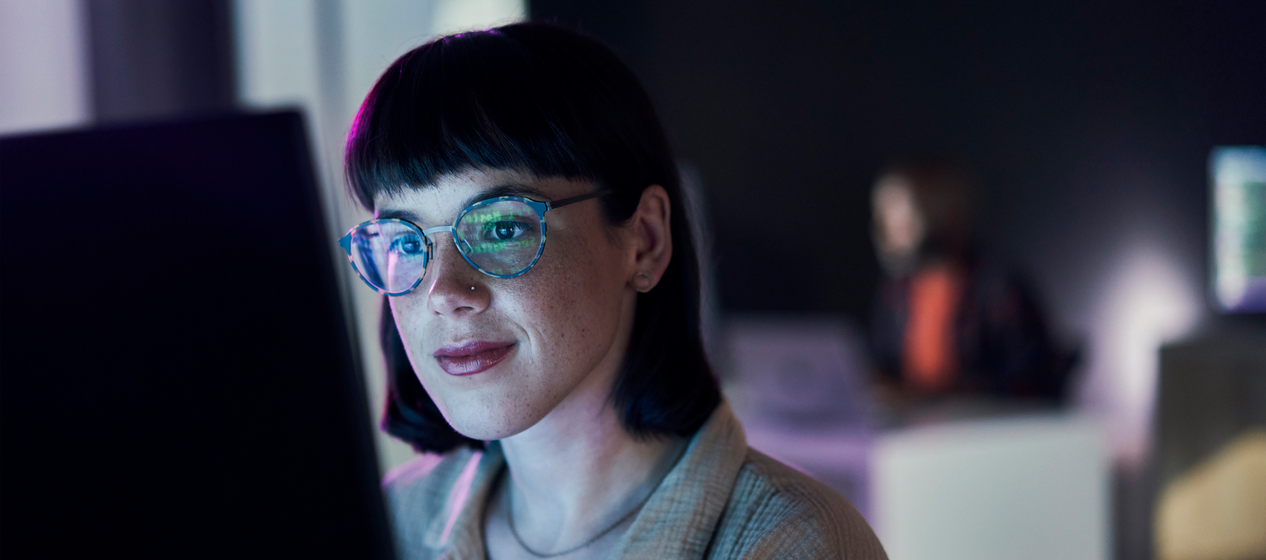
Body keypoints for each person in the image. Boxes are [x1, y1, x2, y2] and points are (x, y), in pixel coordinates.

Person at [338, 22, 886, 560]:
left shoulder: (793, 544)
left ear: (644, 240)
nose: (444, 291)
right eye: (405, 243)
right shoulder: (392, 525)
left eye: (502, 227)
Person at [869, 157, 1076, 402]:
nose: (890, 227)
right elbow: (882, 365)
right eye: (884, 214)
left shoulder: (997, 285)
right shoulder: (897, 292)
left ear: (943, 209)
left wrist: (945, 395)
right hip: (916, 430)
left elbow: (1030, 378)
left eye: (901, 212)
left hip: (984, 430)